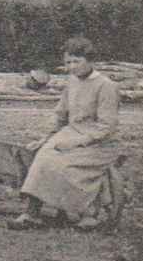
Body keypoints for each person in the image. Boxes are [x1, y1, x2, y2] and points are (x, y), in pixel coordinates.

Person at [9, 37, 120, 231]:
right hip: (69, 134)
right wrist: (45, 139)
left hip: (99, 142)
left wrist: (77, 143)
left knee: (60, 163)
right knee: (42, 153)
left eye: (77, 61)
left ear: (90, 60)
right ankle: (32, 213)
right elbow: (61, 116)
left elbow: (107, 126)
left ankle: (88, 214)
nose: (72, 66)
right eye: (68, 62)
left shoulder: (106, 85)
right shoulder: (72, 82)